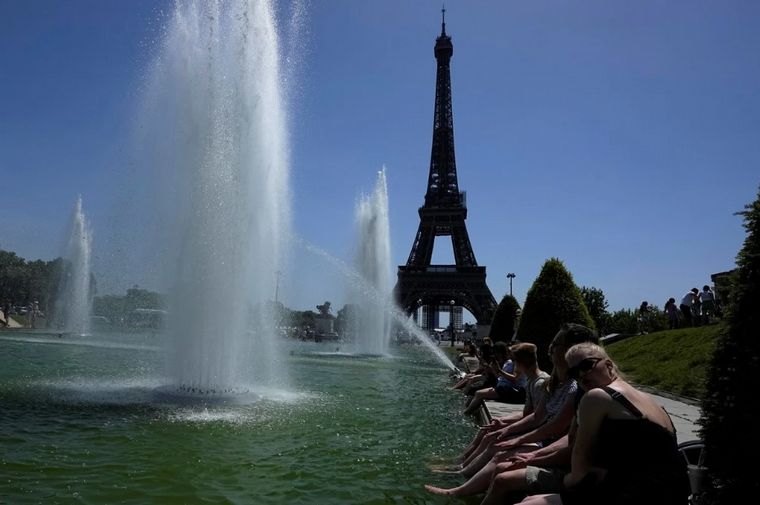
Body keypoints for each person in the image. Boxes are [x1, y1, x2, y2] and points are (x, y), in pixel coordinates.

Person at [425, 324, 599, 499]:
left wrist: (518, 438)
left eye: (556, 344)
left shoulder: (575, 388)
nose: (551, 347)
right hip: (547, 444)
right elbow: (536, 416)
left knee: (499, 453)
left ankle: (459, 485)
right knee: (493, 438)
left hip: (552, 449)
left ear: (572, 350)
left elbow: (554, 428)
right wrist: (507, 429)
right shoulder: (551, 383)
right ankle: (462, 469)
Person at [518, 342, 690, 505]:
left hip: (636, 495)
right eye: (573, 373)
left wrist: (562, 480)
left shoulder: (597, 397)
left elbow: (579, 470)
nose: (581, 375)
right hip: (671, 494)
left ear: (608, 364)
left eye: (586, 365)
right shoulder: (650, 401)